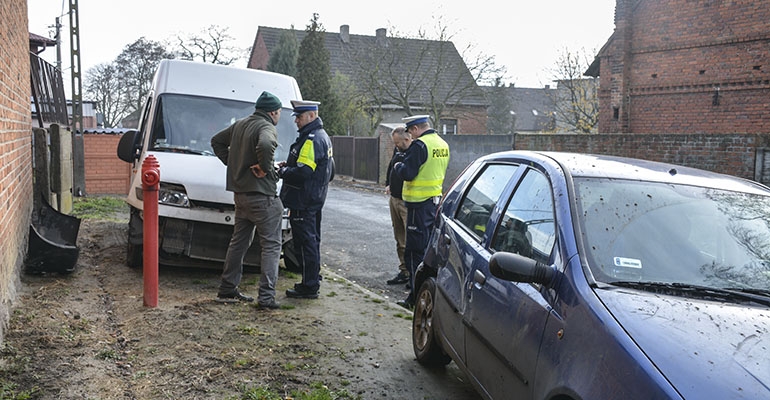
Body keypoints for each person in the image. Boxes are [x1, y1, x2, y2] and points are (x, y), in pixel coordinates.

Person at [210, 91, 284, 310]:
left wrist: (233, 165)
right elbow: (266, 144)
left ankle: (227, 289)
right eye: (279, 113)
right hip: (263, 197)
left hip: (240, 196)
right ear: (273, 112)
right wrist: (265, 167)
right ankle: (267, 298)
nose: (278, 116)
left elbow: (216, 142)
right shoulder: (266, 127)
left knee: (239, 242)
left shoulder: (240, 124)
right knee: (271, 246)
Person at [277, 100, 334, 299]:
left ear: (311, 116)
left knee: (306, 242)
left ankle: (309, 285)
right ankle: (312, 278)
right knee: (313, 240)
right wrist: (291, 164)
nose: (297, 122)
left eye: (299, 117)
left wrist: (283, 170)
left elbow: (303, 172)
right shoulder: (322, 136)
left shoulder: (310, 139)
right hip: (314, 198)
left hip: (303, 199)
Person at [393, 115, 449, 309]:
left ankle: (415, 298)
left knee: (414, 252)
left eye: (411, 132)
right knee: (427, 248)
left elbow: (408, 172)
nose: (411, 136)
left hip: (418, 203)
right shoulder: (442, 144)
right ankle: (426, 295)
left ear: (416, 129)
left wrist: (398, 165)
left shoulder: (420, 145)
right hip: (433, 202)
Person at [385, 127, 412, 286]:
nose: (396, 146)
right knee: (399, 238)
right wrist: (388, 183)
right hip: (394, 198)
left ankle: (412, 273)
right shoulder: (398, 149)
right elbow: (391, 166)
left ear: (407, 139)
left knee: (409, 240)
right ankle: (404, 271)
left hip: (406, 201)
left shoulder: (414, 152)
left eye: (398, 143)